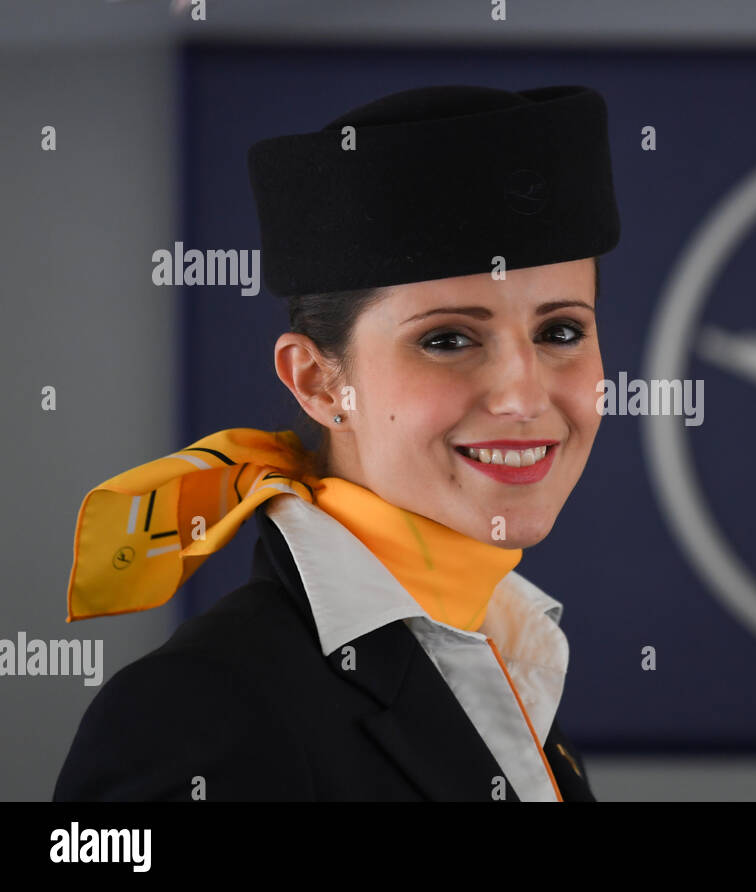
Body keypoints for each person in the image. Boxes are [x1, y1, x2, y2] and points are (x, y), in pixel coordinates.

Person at [52, 84, 620, 801]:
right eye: (447, 339)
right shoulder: (195, 711)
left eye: (560, 332)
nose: (523, 396)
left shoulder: (504, 645)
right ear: (319, 383)